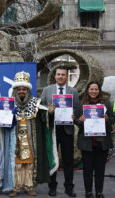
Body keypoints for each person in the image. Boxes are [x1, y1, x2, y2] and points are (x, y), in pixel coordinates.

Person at [4, 71, 50, 197]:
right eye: (19, 89)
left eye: (24, 89)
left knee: (29, 164)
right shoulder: (8, 104)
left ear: (28, 90)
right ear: (15, 90)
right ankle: (16, 187)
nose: (21, 92)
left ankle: (29, 186)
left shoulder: (36, 103)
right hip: (16, 140)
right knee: (17, 165)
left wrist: (49, 113)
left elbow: (45, 118)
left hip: (30, 140)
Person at [40, 66, 80, 197]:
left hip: (67, 130)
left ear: (67, 76)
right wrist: (49, 111)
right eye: (58, 74)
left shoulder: (73, 91)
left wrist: (74, 116)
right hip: (52, 129)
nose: (61, 76)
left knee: (68, 160)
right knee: (53, 159)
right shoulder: (47, 90)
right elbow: (41, 108)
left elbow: (77, 111)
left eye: (63, 74)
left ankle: (69, 187)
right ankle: (52, 186)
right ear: (55, 76)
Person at [77, 81, 114, 198]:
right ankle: (88, 192)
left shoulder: (106, 103)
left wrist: (108, 119)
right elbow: (76, 120)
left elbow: (113, 119)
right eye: (91, 89)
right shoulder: (81, 103)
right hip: (87, 142)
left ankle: (99, 192)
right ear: (88, 90)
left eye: (96, 89)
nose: (93, 91)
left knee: (100, 169)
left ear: (99, 91)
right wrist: (80, 120)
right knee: (87, 170)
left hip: (101, 142)